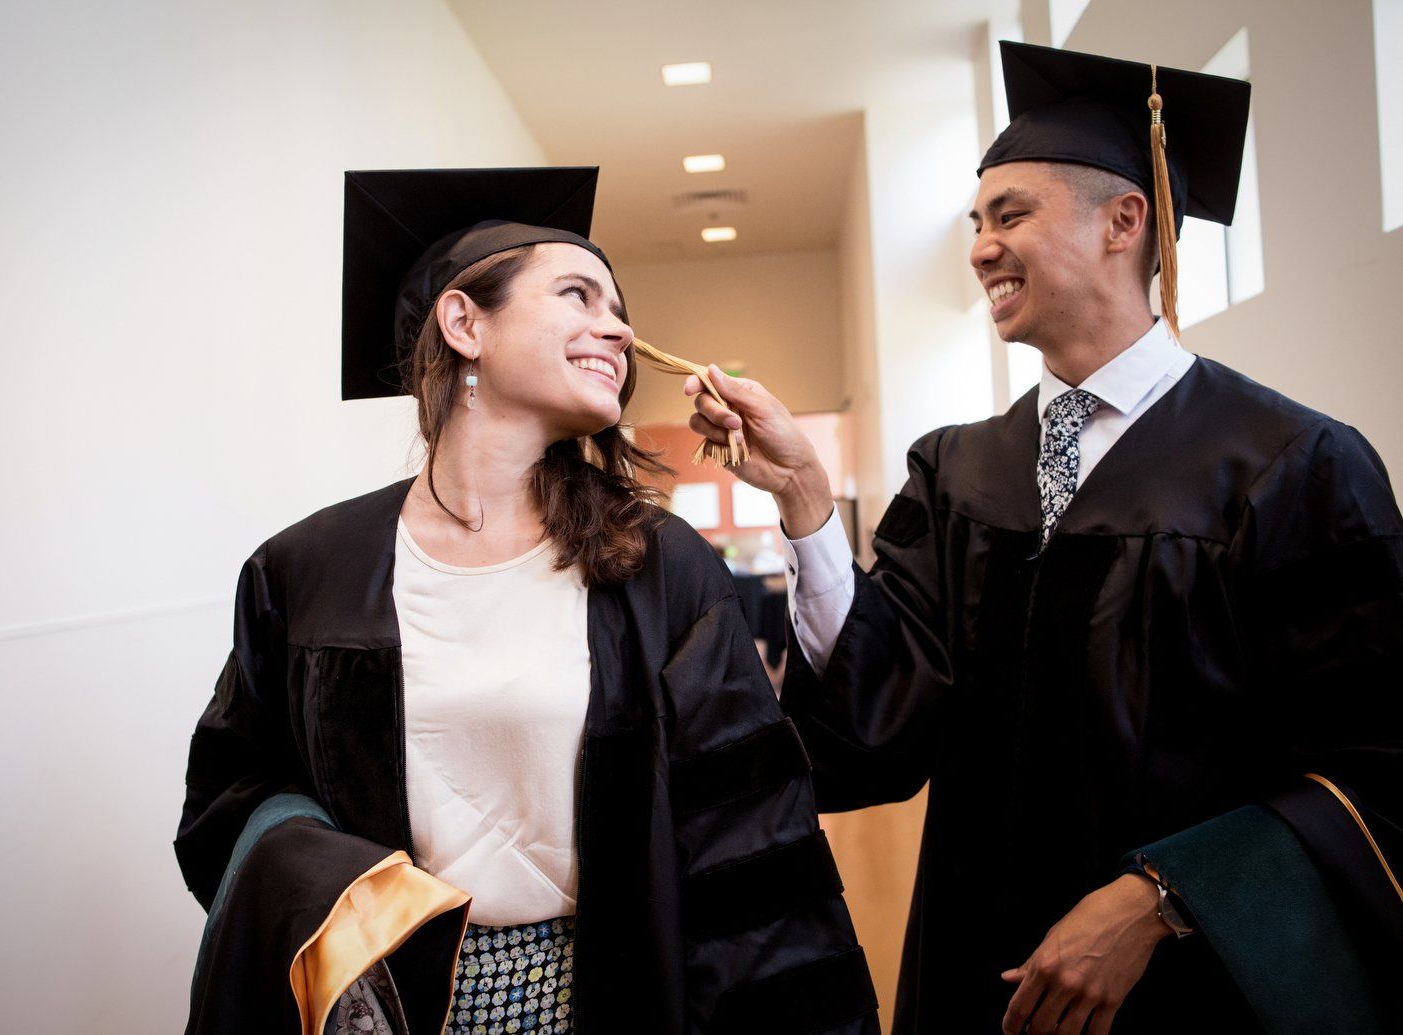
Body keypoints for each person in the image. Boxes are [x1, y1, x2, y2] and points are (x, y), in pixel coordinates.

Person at [684, 43, 1403, 1035]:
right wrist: (804, 499)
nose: (980, 248)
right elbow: (884, 723)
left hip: (1188, 983)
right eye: (976, 223)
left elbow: (1372, 760)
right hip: (974, 970)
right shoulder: (959, 469)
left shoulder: (1291, 462)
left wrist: (1162, 894)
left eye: (1009, 215)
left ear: (1123, 221)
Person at [175, 167, 879, 1035]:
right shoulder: (307, 569)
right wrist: (347, 901)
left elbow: (750, 837)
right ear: (464, 322)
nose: (618, 327)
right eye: (578, 294)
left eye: (618, 307)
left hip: (616, 1003)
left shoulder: (657, 567)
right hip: (387, 1014)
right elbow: (228, 800)